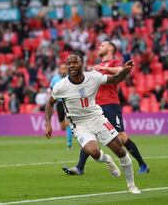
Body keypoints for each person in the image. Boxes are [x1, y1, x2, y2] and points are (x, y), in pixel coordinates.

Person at [44, 53, 140, 194]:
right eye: (69, 63)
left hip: (97, 118)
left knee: (120, 150)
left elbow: (115, 79)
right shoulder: (61, 86)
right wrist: (48, 123)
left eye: (74, 62)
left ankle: (131, 185)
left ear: (82, 64)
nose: (71, 66)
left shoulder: (93, 77)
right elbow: (49, 103)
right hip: (79, 124)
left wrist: (125, 71)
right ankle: (107, 160)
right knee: (94, 152)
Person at [62, 41, 149, 176]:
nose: (99, 47)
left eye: (102, 45)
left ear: (110, 48)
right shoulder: (97, 67)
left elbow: (121, 72)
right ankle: (80, 167)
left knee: (121, 136)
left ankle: (142, 164)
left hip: (111, 104)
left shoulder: (115, 62)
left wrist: (104, 69)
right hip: (95, 106)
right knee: (89, 134)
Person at [50, 63, 72, 149]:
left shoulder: (70, 78)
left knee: (67, 123)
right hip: (59, 103)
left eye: (65, 69)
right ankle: (72, 132)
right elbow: (52, 90)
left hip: (68, 102)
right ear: (59, 70)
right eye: (62, 69)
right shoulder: (55, 79)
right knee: (62, 126)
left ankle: (69, 143)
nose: (63, 70)